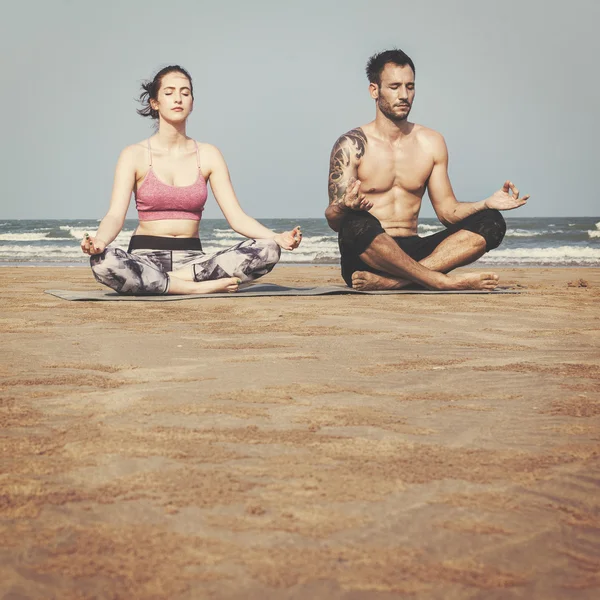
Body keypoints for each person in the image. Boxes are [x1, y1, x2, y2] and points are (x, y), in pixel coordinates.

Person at [82, 65, 302, 295]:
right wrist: (99, 241)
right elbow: (115, 215)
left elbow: (236, 217)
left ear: (192, 103)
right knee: (102, 261)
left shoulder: (208, 154)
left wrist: (276, 237)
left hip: (195, 265)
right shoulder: (134, 155)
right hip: (144, 260)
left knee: (268, 249)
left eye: (185, 93)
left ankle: (170, 283)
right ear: (154, 103)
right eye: (169, 93)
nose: (178, 98)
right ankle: (195, 289)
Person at [326, 49, 529, 291]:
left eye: (410, 87)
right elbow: (334, 220)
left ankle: (396, 282)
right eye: (394, 87)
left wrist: (486, 204)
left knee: (492, 222)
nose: (404, 95)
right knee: (353, 222)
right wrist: (345, 206)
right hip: (368, 256)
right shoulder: (350, 145)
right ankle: (440, 281)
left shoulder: (431, 142)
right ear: (374, 90)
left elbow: (447, 211)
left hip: (416, 254)